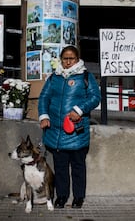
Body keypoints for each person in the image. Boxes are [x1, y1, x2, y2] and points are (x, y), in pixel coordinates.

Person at [38, 45, 101, 209]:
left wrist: (79, 110)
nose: (67, 62)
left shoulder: (85, 76)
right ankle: (62, 196)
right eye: (65, 58)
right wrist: (44, 116)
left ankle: (78, 197)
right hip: (56, 132)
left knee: (78, 166)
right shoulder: (54, 77)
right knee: (60, 167)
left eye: (71, 58)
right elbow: (44, 97)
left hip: (77, 130)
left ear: (77, 59)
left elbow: (95, 97)